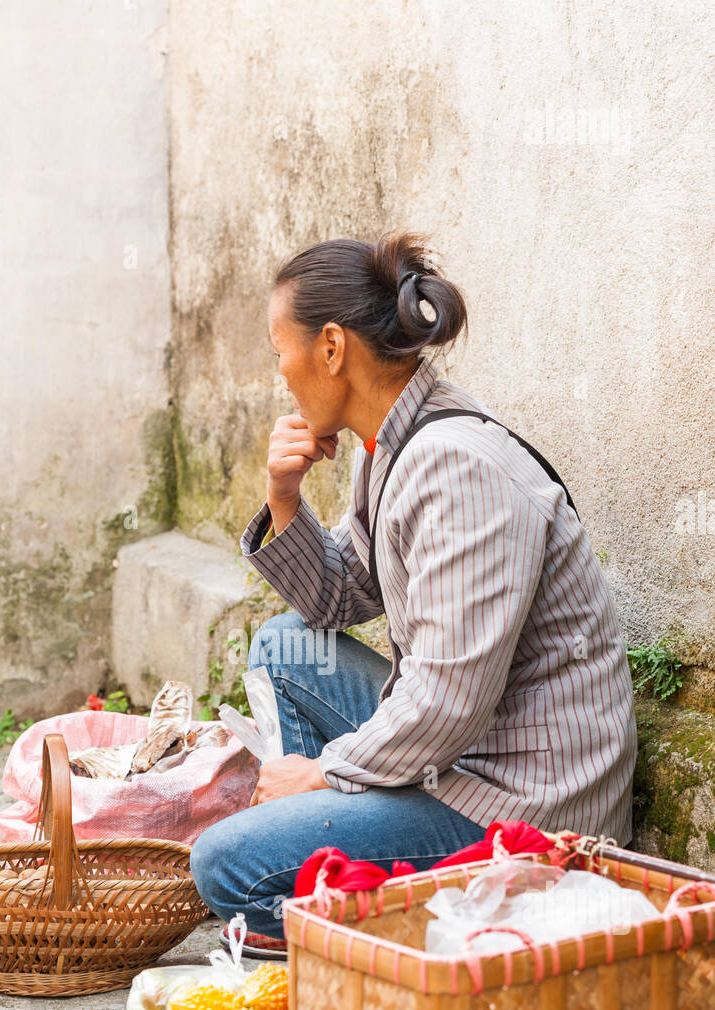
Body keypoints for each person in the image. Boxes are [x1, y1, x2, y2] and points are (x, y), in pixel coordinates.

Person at [190, 231, 637, 953]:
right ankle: (335, 865)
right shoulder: (392, 447)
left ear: (331, 348)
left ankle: (348, 911)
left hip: (519, 808)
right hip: (459, 757)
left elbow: (447, 704)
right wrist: (282, 497)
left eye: (281, 351)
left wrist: (320, 775)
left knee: (228, 865)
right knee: (286, 646)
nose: (281, 375)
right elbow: (333, 602)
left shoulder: (456, 467)